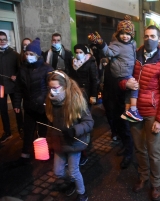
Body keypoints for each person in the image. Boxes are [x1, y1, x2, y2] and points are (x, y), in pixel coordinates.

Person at [119, 25, 160, 201]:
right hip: (134, 110)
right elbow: (122, 77)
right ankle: (143, 177)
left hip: (151, 112)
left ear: (159, 39)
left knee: (153, 150)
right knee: (139, 148)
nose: (149, 39)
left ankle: (156, 184)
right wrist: (124, 84)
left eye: (153, 36)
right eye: (146, 36)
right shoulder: (133, 56)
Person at [46, 71, 93, 201]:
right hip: (59, 143)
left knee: (73, 170)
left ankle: (82, 193)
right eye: (50, 88)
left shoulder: (76, 100)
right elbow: (50, 123)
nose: (52, 91)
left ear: (65, 86)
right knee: (58, 172)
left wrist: (74, 130)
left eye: (55, 88)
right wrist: (50, 141)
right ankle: (71, 181)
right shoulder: (51, 101)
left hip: (74, 143)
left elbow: (89, 122)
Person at [88, 15, 142, 122]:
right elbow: (108, 52)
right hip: (122, 72)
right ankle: (133, 109)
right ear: (117, 34)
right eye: (122, 33)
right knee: (135, 87)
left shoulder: (132, 43)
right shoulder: (117, 45)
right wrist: (101, 44)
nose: (125, 36)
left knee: (129, 92)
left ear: (132, 35)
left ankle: (127, 111)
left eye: (127, 34)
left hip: (128, 70)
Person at [13, 38, 54, 163]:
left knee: (43, 131)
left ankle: (44, 153)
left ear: (37, 55)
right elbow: (18, 88)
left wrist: (46, 101)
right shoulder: (23, 69)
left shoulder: (47, 69)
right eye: (27, 54)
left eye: (31, 54)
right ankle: (25, 154)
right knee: (28, 131)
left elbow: (51, 87)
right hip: (29, 106)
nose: (28, 56)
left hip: (42, 107)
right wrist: (16, 103)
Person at [101, 58, 134, 169]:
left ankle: (129, 153)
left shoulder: (125, 65)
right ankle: (125, 146)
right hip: (112, 102)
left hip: (123, 102)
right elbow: (106, 84)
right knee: (119, 127)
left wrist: (127, 102)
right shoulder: (109, 66)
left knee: (126, 129)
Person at [0, 31, 24, 143]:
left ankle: (21, 129)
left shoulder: (15, 55)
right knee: (3, 109)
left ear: (7, 40)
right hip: (1, 87)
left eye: (4, 39)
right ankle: (7, 132)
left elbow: (21, 69)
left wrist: (16, 76)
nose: (2, 41)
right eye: (0, 40)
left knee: (17, 108)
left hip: (13, 87)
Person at [68, 44, 99, 108]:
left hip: (86, 92)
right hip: (75, 91)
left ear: (84, 52)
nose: (78, 54)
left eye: (80, 52)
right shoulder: (73, 63)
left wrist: (93, 95)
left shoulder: (90, 62)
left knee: (86, 110)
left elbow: (94, 80)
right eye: (76, 52)